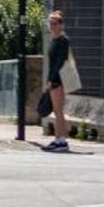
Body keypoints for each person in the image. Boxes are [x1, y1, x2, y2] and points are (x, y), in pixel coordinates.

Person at [41, 11, 76, 152]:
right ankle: (58, 139)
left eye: (55, 23)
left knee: (58, 111)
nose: (52, 26)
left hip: (58, 80)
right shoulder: (54, 40)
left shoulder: (63, 41)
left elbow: (59, 63)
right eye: (50, 23)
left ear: (61, 25)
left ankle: (61, 141)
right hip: (54, 79)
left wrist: (51, 81)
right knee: (56, 111)